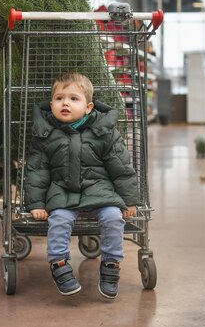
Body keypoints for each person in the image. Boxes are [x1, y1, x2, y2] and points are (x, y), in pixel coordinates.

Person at [24, 72, 139, 299]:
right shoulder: (45, 134)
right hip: (62, 192)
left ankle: (111, 264)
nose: (65, 103)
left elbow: (121, 168)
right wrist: (36, 204)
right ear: (51, 104)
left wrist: (129, 200)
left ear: (88, 107)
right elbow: (37, 171)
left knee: (113, 217)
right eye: (59, 98)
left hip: (99, 190)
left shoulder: (104, 133)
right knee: (59, 220)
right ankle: (58, 263)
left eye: (73, 99)